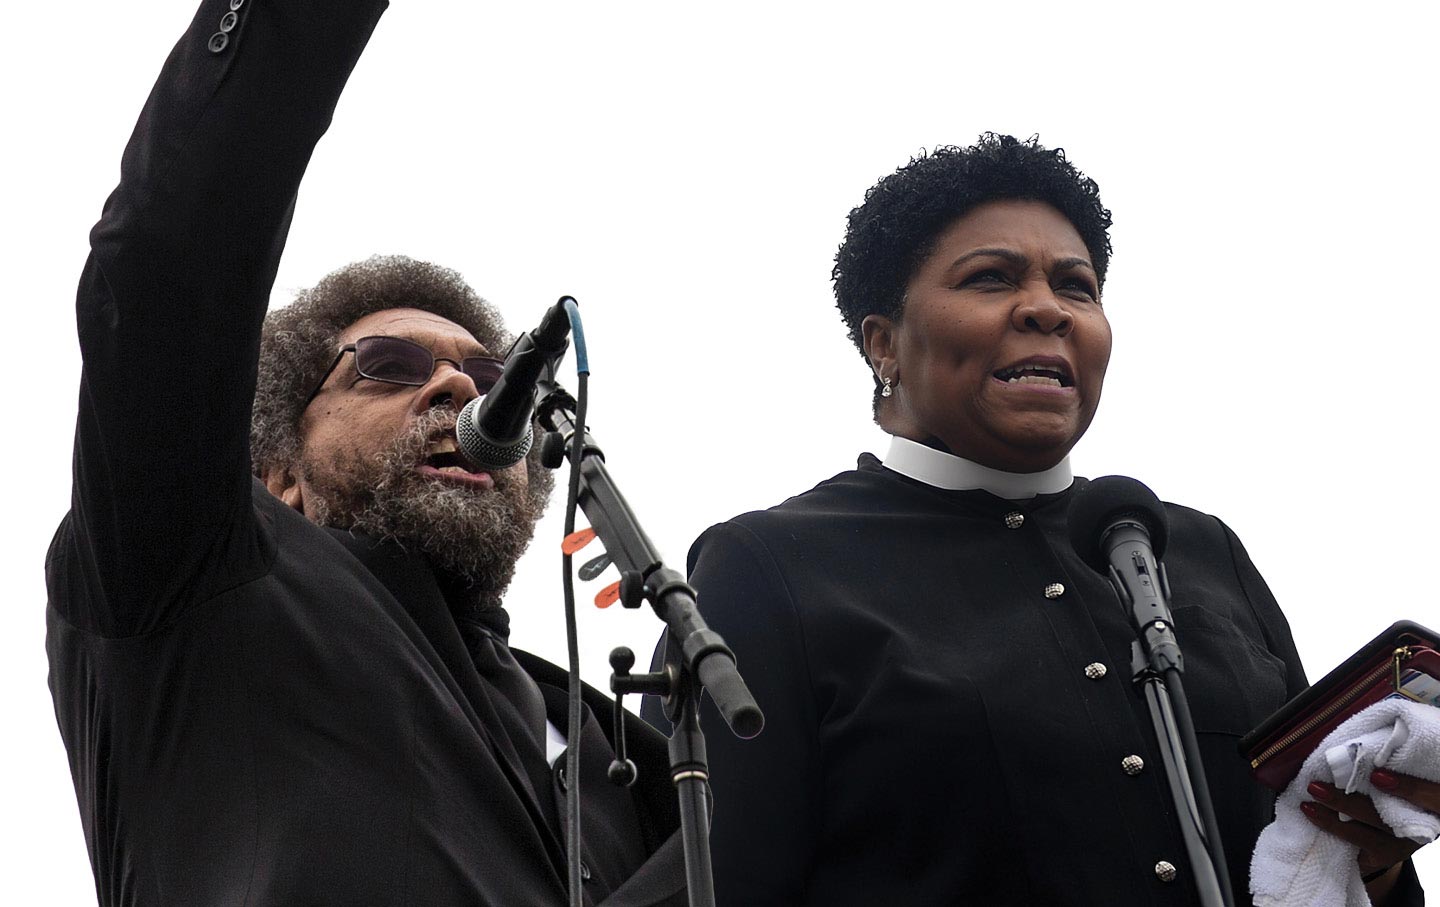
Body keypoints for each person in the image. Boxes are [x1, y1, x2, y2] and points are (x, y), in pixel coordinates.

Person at [644, 135, 1436, 905]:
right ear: (883, 344)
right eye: (990, 279)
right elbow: (715, 881)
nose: (1047, 309)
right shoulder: (767, 568)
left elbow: (1311, 854)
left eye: (1077, 286)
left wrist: (1372, 866)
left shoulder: (1198, 548)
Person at [46, 2, 683, 904]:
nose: (460, 389)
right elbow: (169, 266)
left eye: (491, 372)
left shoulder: (628, 755)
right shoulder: (190, 567)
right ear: (278, 472)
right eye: (389, 366)